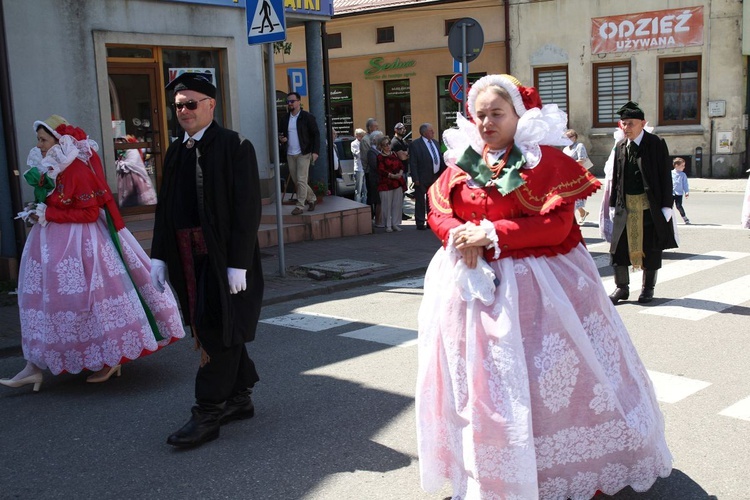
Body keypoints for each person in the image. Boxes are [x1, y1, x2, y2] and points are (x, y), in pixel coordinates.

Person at [416, 74, 672, 499]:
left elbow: (555, 226)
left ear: (518, 115)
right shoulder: (467, 160)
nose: (486, 122)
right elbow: (437, 208)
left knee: (545, 377)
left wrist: (491, 233)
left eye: (496, 113)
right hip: (471, 286)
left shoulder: (542, 160)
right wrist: (457, 236)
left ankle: (561, 468)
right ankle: (491, 468)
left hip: (540, 288)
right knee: (484, 386)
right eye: (479, 115)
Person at [0, 115, 184, 392]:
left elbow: (88, 212)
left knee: (89, 301)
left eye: (43, 140)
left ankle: (111, 358)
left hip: (81, 244)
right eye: (38, 139)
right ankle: (34, 365)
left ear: (60, 141)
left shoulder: (77, 171)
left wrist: (48, 212)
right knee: (42, 302)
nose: (38, 145)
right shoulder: (52, 168)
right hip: (49, 244)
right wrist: (36, 211)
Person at [151, 72, 264, 448]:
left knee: (218, 327)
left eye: (190, 104)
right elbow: (165, 209)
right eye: (178, 105)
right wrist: (158, 256)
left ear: (211, 105)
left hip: (223, 261)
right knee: (214, 325)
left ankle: (208, 410)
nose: (183, 111)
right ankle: (239, 397)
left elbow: (247, 209)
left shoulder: (235, 145)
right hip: (186, 258)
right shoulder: (175, 150)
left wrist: (238, 263)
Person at [609, 101, 677, 305]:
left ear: (642, 123)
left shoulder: (655, 143)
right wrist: (613, 204)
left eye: (630, 124)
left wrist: (666, 205)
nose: (626, 128)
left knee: (651, 248)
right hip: (625, 206)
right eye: (623, 124)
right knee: (618, 249)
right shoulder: (621, 146)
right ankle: (622, 288)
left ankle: (648, 289)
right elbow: (616, 176)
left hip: (650, 206)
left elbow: (665, 176)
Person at [279, 91, 320, 215]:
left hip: (304, 152)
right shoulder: (285, 118)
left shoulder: (307, 117)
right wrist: (282, 139)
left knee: (301, 180)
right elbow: (281, 134)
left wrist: (315, 152)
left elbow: (316, 134)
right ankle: (312, 198)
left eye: (292, 101)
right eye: (288, 102)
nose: (289, 104)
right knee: (297, 181)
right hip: (290, 153)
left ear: (298, 102)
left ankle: (300, 206)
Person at [408, 123, 445, 230]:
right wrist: (415, 178)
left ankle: (431, 221)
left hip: (435, 176)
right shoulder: (415, 145)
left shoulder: (435, 143)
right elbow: (413, 163)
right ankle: (420, 222)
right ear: (424, 133)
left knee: (432, 200)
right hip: (422, 177)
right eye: (431, 131)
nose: (433, 132)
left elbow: (440, 159)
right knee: (420, 200)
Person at [115, 135, 158, 207]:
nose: (120, 143)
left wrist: (120, 164)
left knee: (138, 194)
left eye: (122, 141)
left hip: (135, 177)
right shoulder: (122, 153)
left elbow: (132, 163)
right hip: (125, 178)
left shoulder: (132, 151)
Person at [376, 135, 406, 232]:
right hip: (386, 184)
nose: (388, 146)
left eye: (389, 143)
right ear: (381, 146)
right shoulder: (380, 157)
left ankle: (395, 223)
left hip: (397, 182)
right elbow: (381, 170)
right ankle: (388, 225)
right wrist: (392, 176)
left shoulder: (394, 154)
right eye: (385, 145)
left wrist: (400, 174)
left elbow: (401, 165)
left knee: (397, 204)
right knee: (386, 205)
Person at [563, 128, 591, 224]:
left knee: (575, 198)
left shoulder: (579, 146)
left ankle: (572, 220)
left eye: (571, 136)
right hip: (567, 175)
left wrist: (569, 164)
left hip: (577, 175)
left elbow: (582, 160)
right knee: (570, 198)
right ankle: (582, 213)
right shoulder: (565, 149)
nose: (568, 138)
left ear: (575, 137)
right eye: (566, 137)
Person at [360, 118, 381, 225]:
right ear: (369, 128)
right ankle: (370, 216)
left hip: (378, 172)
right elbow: (365, 157)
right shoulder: (365, 140)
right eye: (375, 126)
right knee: (371, 195)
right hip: (370, 171)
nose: (377, 128)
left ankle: (377, 216)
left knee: (377, 195)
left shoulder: (377, 137)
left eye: (377, 126)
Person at [366, 130, 384, 228]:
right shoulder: (371, 151)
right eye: (380, 137)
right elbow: (374, 165)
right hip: (375, 179)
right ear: (374, 140)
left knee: (382, 200)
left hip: (382, 178)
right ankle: (378, 221)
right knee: (378, 200)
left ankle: (382, 219)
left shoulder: (380, 150)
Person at [671, 157, 691, 224]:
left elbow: (685, 184)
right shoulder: (671, 173)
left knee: (679, 206)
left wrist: (686, 191)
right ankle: (668, 219)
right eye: (682, 165)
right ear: (676, 165)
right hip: (671, 193)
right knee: (669, 206)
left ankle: (685, 218)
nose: (684, 167)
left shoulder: (683, 175)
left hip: (679, 193)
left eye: (684, 165)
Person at [350, 128, 367, 204]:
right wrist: (363, 147)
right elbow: (357, 154)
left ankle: (365, 206)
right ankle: (358, 205)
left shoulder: (364, 143)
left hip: (365, 168)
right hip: (358, 169)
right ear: (357, 136)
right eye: (361, 135)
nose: (362, 137)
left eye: (363, 135)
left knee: (365, 190)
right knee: (358, 190)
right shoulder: (354, 144)